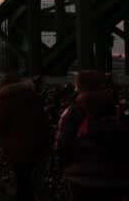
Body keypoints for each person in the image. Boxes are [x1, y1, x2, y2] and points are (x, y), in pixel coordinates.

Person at [55, 70, 129, 201]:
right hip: (113, 174)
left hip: (80, 175)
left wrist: (65, 165)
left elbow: (63, 143)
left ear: (79, 86)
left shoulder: (74, 111)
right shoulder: (116, 109)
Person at [0, 74, 49, 201]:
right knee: (29, 177)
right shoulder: (34, 96)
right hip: (36, 142)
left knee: (21, 177)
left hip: (16, 144)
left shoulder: (6, 99)